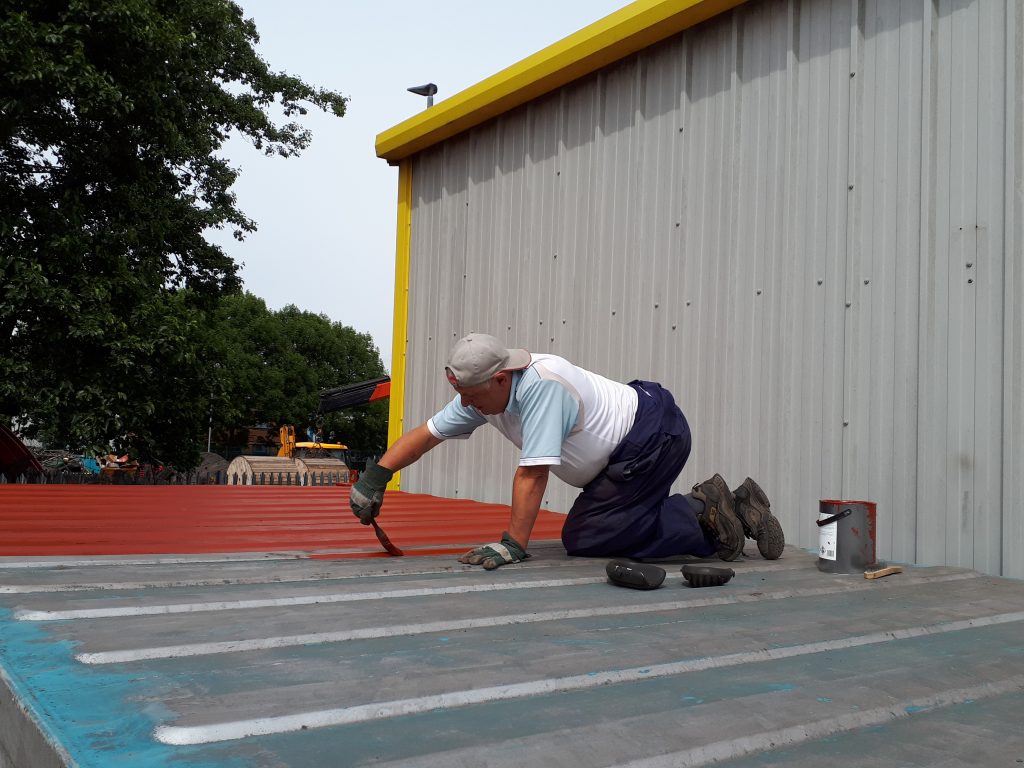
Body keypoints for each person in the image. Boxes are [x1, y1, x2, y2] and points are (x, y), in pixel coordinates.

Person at [350, 333, 784, 570]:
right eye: (461, 394)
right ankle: (713, 505)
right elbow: (427, 434)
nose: (465, 404)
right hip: (625, 458)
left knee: (590, 538)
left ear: (502, 378)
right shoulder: (483, 394)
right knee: (589, 534)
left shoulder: (542, 387)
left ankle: (711, 518)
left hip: (652, 438)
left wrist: (512, 546)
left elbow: (532, 474)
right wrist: (376, 478)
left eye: (471, 394)